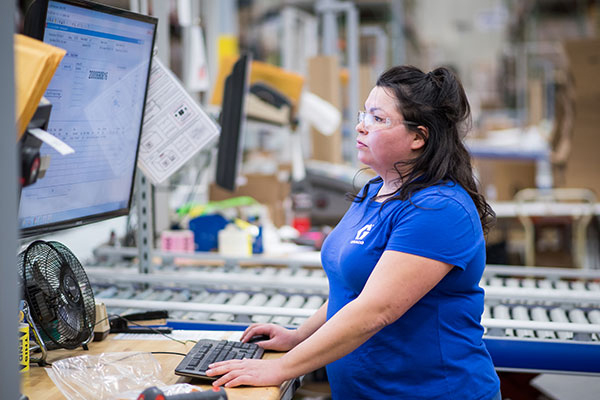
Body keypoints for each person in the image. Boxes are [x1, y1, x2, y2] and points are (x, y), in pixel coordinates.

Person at [206, 65, 501, 400]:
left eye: (378, 118)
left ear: (419, 137)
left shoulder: (439, 209)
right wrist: (297, 337)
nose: (361, 125)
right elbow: (353, 290)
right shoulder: (374, 191)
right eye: (365, 114)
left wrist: (280, 369)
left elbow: (375, 309)